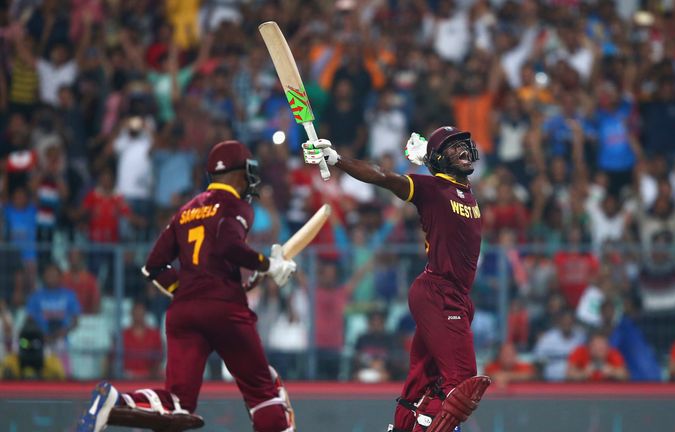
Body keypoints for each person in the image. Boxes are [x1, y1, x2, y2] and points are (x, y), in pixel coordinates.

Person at [77, 140, 298, 432]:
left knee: (177, 403)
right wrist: (268, 264)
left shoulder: (185, 211)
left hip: (183, 311)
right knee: (262, 391)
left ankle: (117, 401)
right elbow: (227, 244)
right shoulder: (237, 205)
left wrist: (193, 290)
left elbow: (153, 266)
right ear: (237, 173)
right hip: (224, 310)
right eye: (247, 172)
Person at [303, 126, 490, 432]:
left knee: (422, 383)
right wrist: (336, 158)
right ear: (441, 159)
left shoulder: (461, 191)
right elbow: (382, 176)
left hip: (451, 297)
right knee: (463, 380)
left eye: (464, 144)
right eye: (454, 147)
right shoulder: (433, 189)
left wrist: (428, 161)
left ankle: (405, 426)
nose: (464, 150)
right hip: (439, 292)